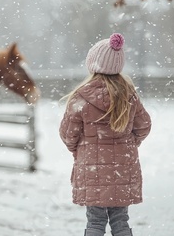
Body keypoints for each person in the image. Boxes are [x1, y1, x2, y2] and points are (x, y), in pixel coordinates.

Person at [59, 33, 151, 236]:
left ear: (92, 64)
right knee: (120, 222)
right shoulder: (129, 95)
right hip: (123, 169)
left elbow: (68, 134)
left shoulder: (81, 97)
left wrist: (81, 151)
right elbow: (144, 125)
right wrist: (129, 143)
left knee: (95, 223)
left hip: (91, 169)